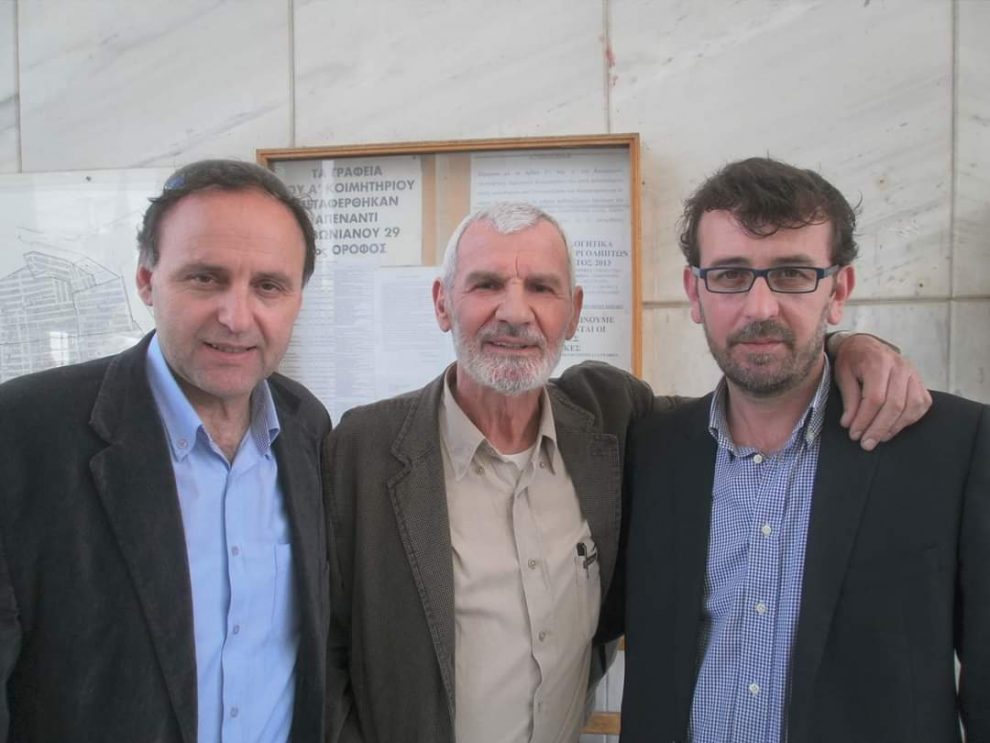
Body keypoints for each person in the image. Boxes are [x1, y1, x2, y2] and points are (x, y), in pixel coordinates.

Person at [323, 201, 929, 743]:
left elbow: (746, 402)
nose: (515, 312)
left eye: (542, 288)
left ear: (573, 312)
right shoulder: (365, 447)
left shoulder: (612, 418)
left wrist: (847, 346)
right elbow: (322, 648)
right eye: (486, 285)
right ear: (442, 303)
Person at [618, 157, 989, 742]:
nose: (760, 308)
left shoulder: (951, 448)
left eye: (792, 274)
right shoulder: (650, 451)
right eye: (731, 275)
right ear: (695, 292)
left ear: (838, 291)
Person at [0, 160, 331, 742]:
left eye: (268, 286)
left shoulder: (307, 427)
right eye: (205, 278)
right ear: (147, 281)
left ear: (297, 299)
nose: (236, 317)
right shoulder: (23, 431)